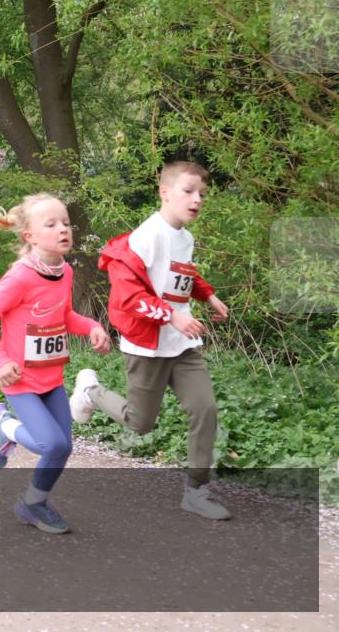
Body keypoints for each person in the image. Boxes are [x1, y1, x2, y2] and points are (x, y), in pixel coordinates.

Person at [69, 161, 231, 520]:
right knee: (140, 423)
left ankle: (196, 491)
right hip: (147, 346)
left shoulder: (184, 238)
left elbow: (180, 275)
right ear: (164, 192)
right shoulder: (147, 236)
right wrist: (174, 315)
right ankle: (90, 393)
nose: (197, 199)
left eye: (202, 194)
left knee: (204, 410)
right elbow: (128, 296)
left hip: (183, 346)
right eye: (188, 191)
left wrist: (207, 296)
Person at [0, 188, 110, 534]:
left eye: (65, 223)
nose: (64, 229)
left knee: (62, 449)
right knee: (53, 443)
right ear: (30, 236)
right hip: (20, 381)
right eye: (51, 224)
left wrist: (92, 326)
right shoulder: (20, 276)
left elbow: (64, 316)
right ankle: (2, 424)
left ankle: (32, 504)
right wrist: (0, 360)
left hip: (51, 379)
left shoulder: (64, 272)